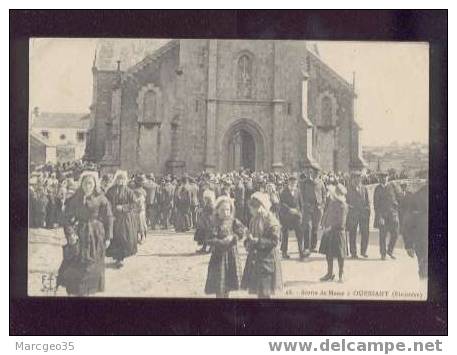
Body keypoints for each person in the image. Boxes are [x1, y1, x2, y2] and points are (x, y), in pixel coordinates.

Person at [56, 172, 113, 296]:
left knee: (93, 263)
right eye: (85, 183)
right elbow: (67, 218)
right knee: (76, 262)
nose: (88, 186)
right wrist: (71, 233)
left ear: (94, 184)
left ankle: (88, 290)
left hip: (96, 234)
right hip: (79, 234)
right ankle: (77, 289)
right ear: (81, 183)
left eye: (90, 183)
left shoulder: (101, 198)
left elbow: (108, 217)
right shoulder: (74, 198)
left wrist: (108, 237)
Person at [241, 192, 283, 298]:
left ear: (260, 207)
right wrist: (247, 242)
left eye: (252, 208)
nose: (250, 211)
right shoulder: (254, 219)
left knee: (265, 292)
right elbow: (250, 237)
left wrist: (256, 241)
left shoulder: (271, 220)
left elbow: (274, 241)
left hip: (267, 261)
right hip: (256, 261)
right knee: (259, 291)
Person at [204, 196, 246, 298]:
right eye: (222, 210)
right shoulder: (214, 223)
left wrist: (233, 237)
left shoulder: (233, 221)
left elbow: (241, 232)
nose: (225, 212)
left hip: (232, 255)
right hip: (218, 257)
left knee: (229, 283)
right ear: (217, 210)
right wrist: (221, 242)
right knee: (219, 283)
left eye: (228, 210)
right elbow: (209, 239)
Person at [105, 170, 138, 268]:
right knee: (115, 237)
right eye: (119, 178)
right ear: (116, 179)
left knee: (124, 237)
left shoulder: (129, 191)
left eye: (123, 179)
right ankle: (117, 257)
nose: (121, 181)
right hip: (114, 218)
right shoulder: (110, 190)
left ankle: (121, 258)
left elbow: (134, 204)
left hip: (125, 219)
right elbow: (106, 202)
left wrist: (124, 207)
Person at [318, 183, 348, 283]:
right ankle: (330, 273)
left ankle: (341, 274)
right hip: (329, 232)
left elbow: (341, 222)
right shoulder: (332, 203)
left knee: (340, 255)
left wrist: (330, 227)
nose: (330, 194)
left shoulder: (343, 206)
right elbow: (326, 213)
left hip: (338, 233)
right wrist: (322, 223)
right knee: (328, 254)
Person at [403, 184, 428, 279]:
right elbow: (408, 221)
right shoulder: (418, 196)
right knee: (424, 273)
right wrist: (409, 244)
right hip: (422, 242)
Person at [300, 163, 326, 254]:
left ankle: (313, 246)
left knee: (315, 227)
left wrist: (322, 204)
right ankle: (306, 247)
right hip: (308, 207)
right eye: (312, 172)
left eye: (316, 172)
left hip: (318, 208)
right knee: (307, 226)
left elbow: (324, 194)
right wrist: (304, 204)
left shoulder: (320, 182)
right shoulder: (304, 182)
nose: (314, 174)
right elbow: (301, 195)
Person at [373, 172, 400, 260]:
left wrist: (396, 209)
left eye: (385, 177)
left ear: (388, 178)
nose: (384, 179)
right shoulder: (377, 189)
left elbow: (398, 197)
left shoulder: (392, 186)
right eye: (382, 177)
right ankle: (383, 254)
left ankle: (390, 250)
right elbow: (376, 205)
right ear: (379, 179)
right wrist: (379, 217)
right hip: (382, 216)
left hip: (393, 214)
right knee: (382, 235)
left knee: (395, 233)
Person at [346, 171, 371, 258]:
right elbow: (345, 202)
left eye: (359, 178)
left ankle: (363, 251)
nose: (357, 180)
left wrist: (367, 211)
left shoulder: (364, 189)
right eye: (355, 178)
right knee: (352, 233)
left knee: (365, 233)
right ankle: (353, 253)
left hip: (363, 214)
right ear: (352, 179)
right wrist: (349, 207)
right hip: (353, 214)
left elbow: (368, 201)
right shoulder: (348, 189)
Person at [279, 174, 303, 259]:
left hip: (296, 216)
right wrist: (289, 209)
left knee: (299, 234)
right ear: (289, 182)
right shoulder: (284, 192)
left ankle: (301, 252)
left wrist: (300, 213)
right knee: (285, 235)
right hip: (287, 216)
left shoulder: (298, 191)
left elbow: (301, 204)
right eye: (291, 182)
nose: (293, 184)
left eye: (295, 182)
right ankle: (284, 252)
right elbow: (281, 204)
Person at [194, 188, 216, 254]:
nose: (204, 199)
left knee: (209, 235)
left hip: (209, 222)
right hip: (206, 222)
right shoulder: (209, 204)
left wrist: (201, 210)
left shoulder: (210, 205)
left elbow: (208, 212)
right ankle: (204, 248)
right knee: (205, 235)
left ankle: (210, 248)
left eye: (205, 198)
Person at [132, 174, 148, 244]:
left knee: (137, 225)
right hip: (141, 210)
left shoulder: (134, 191)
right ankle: (142, 237)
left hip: (137, 210)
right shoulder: (143, 191)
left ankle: (139, 237)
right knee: (142, 224)